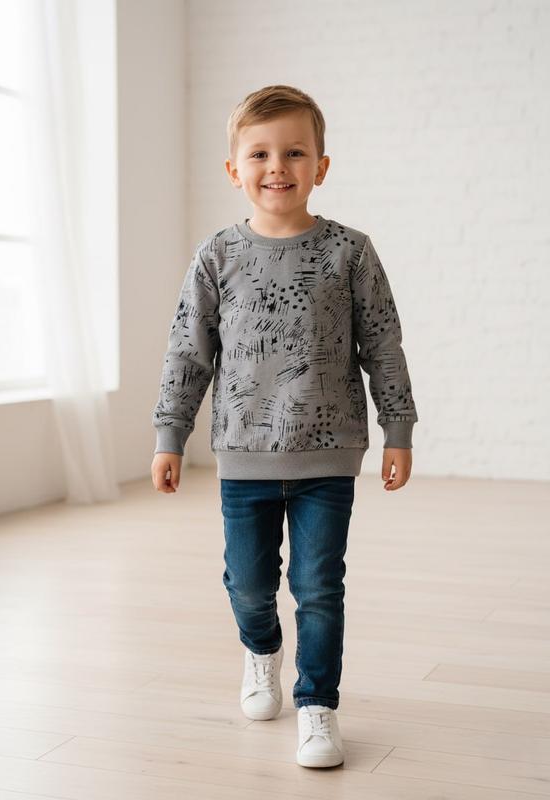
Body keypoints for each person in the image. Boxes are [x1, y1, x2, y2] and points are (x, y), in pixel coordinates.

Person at [150, 84, 418, 768]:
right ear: (233, 169)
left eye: (295, 152)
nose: (278, 166)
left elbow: (383, 345)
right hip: (243, 455)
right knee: (248, 584)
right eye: (260, 154)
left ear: (320, 166)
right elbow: (187, 351)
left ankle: (317, 705)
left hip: (329, 456)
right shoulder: (217, 255)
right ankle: (261, 651)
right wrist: (170, 435)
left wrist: (398, 428)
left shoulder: (350, 252)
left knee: (319, 587)